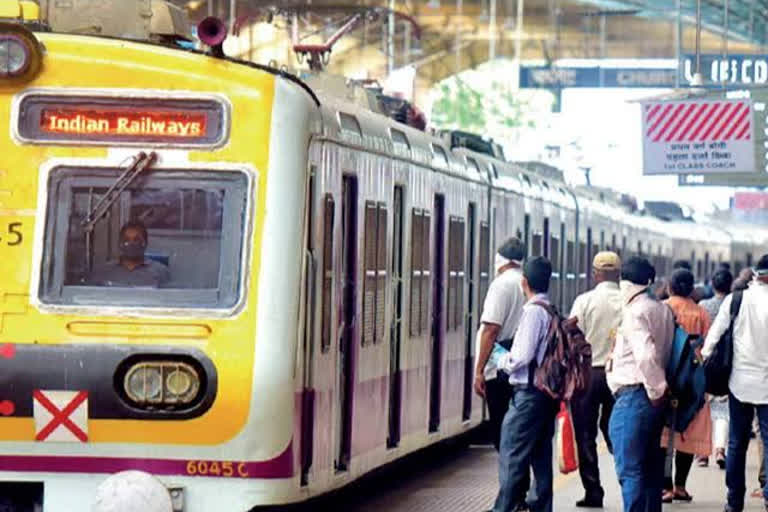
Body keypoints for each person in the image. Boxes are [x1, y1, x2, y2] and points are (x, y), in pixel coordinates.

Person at [607, 256, 675, 512]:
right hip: (653, 401)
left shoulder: (635, 312)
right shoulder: (663, 310)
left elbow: (646, 355)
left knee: (630, 469)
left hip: (635, 396)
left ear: (626, 283)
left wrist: (655, 390)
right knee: (651, 470)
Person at [492, 257, 559, 512]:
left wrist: (501, 359)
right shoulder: (550, 308)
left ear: (524, 282)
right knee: (541, 455)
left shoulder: (533, 312)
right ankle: (542, 506)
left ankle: (505, 508)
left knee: (512, 452)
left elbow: (522, 357)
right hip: (545, 395)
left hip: (529, 394)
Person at [703, 254, 768, 512]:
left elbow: (713, 338)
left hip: (739, 382)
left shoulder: (736, 300)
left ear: (754, 273)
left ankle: (734, 501)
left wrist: (705, 366)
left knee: (736, 443)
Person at [569, 251, 622, 508]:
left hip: (588, 375)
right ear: (619, 274)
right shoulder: (627, 300)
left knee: (585, 434)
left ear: (595, 274)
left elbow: (571, 333)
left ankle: (593, 491)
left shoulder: (584, 300)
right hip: (619, 376)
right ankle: (627, 480)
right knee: (618, 432)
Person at [661, 269, 713, 503]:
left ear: (670, 285)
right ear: (692, 288)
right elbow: (709, 346)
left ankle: (666, 486)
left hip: (667, 376)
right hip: (693, 381)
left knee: (664, 433)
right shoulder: (701, 312)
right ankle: (681, 486)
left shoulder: (663, 308)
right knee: (688, 433)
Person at [474, 237, 527, 451]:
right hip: (520, 365)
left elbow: (490, 329)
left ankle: (509, 482)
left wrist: (479, 370)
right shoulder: (525, 281)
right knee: (516, 432)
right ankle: (515, 480)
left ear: (499, 260)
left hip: (499, 369)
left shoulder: (501, 285)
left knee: (502, 432)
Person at [699, 269, 734, 470]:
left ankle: (702, 452)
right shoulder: (734, 305)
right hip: (728, 362)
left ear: (712, 284)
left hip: (706, 361)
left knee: (703, 408)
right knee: (723, 409)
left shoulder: (704, 306)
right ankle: (720, 448)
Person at [87, 221, 170, 287]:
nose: (131, 243)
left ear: (145, 243)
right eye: (126, 240)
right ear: (120, 243)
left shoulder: (160, 272)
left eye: (137, 239)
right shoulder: (103, 272)